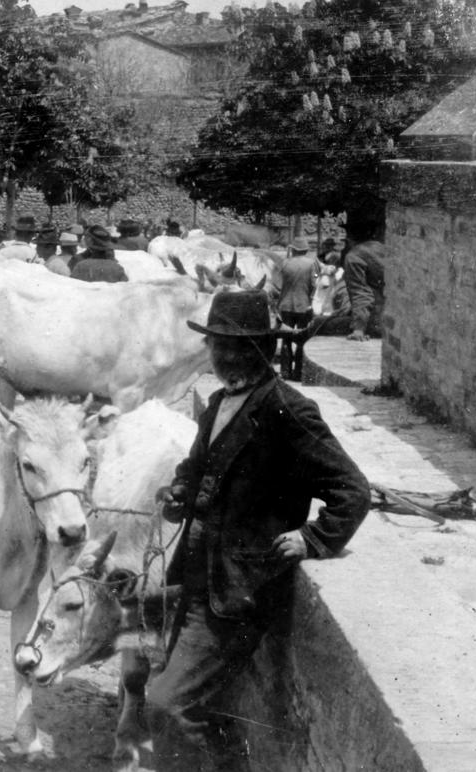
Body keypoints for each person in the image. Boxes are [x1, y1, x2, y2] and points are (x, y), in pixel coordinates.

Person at [148, 289, 370, 772]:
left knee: (167, 703)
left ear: (264, 350)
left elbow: (352, 489)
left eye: (239, 346)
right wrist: (180, 492)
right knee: (196, 702)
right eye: (219, 345)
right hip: (198, 577)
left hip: (240, 590)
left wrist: (314, 538)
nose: (226, 356)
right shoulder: (219, 402)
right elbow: (195, 468)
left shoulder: (287, 410)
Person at [269, 236, 318, 380]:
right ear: (306, 250)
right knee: (302, 339)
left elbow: (277, 285)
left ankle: (285, 372)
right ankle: (298, 373)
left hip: (285, 305)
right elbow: (315, 282)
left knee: (286, 339)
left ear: (293, 249)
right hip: (304, 306)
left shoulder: (285, 264)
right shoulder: (312, 264)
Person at [342, 234, 384, 341]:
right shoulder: (382, 248)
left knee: (318, 324)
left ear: (349, 241)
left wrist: (358, 329)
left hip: (379, 322)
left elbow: (361, 294)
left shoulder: (354, 256)